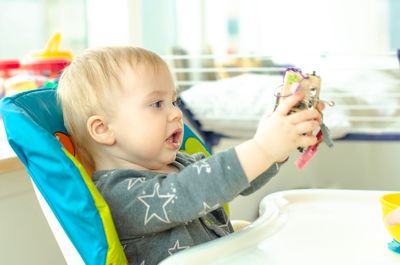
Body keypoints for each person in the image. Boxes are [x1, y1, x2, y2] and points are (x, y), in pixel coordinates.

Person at [57, 46, 323, 265]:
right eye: (156, 104)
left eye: (174, 101)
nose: (176, 113)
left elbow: (238, 180)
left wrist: (280, 146)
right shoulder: (118, 193)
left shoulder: (181, 163)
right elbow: (191, 190)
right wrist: (263, 147)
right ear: (103, 129)